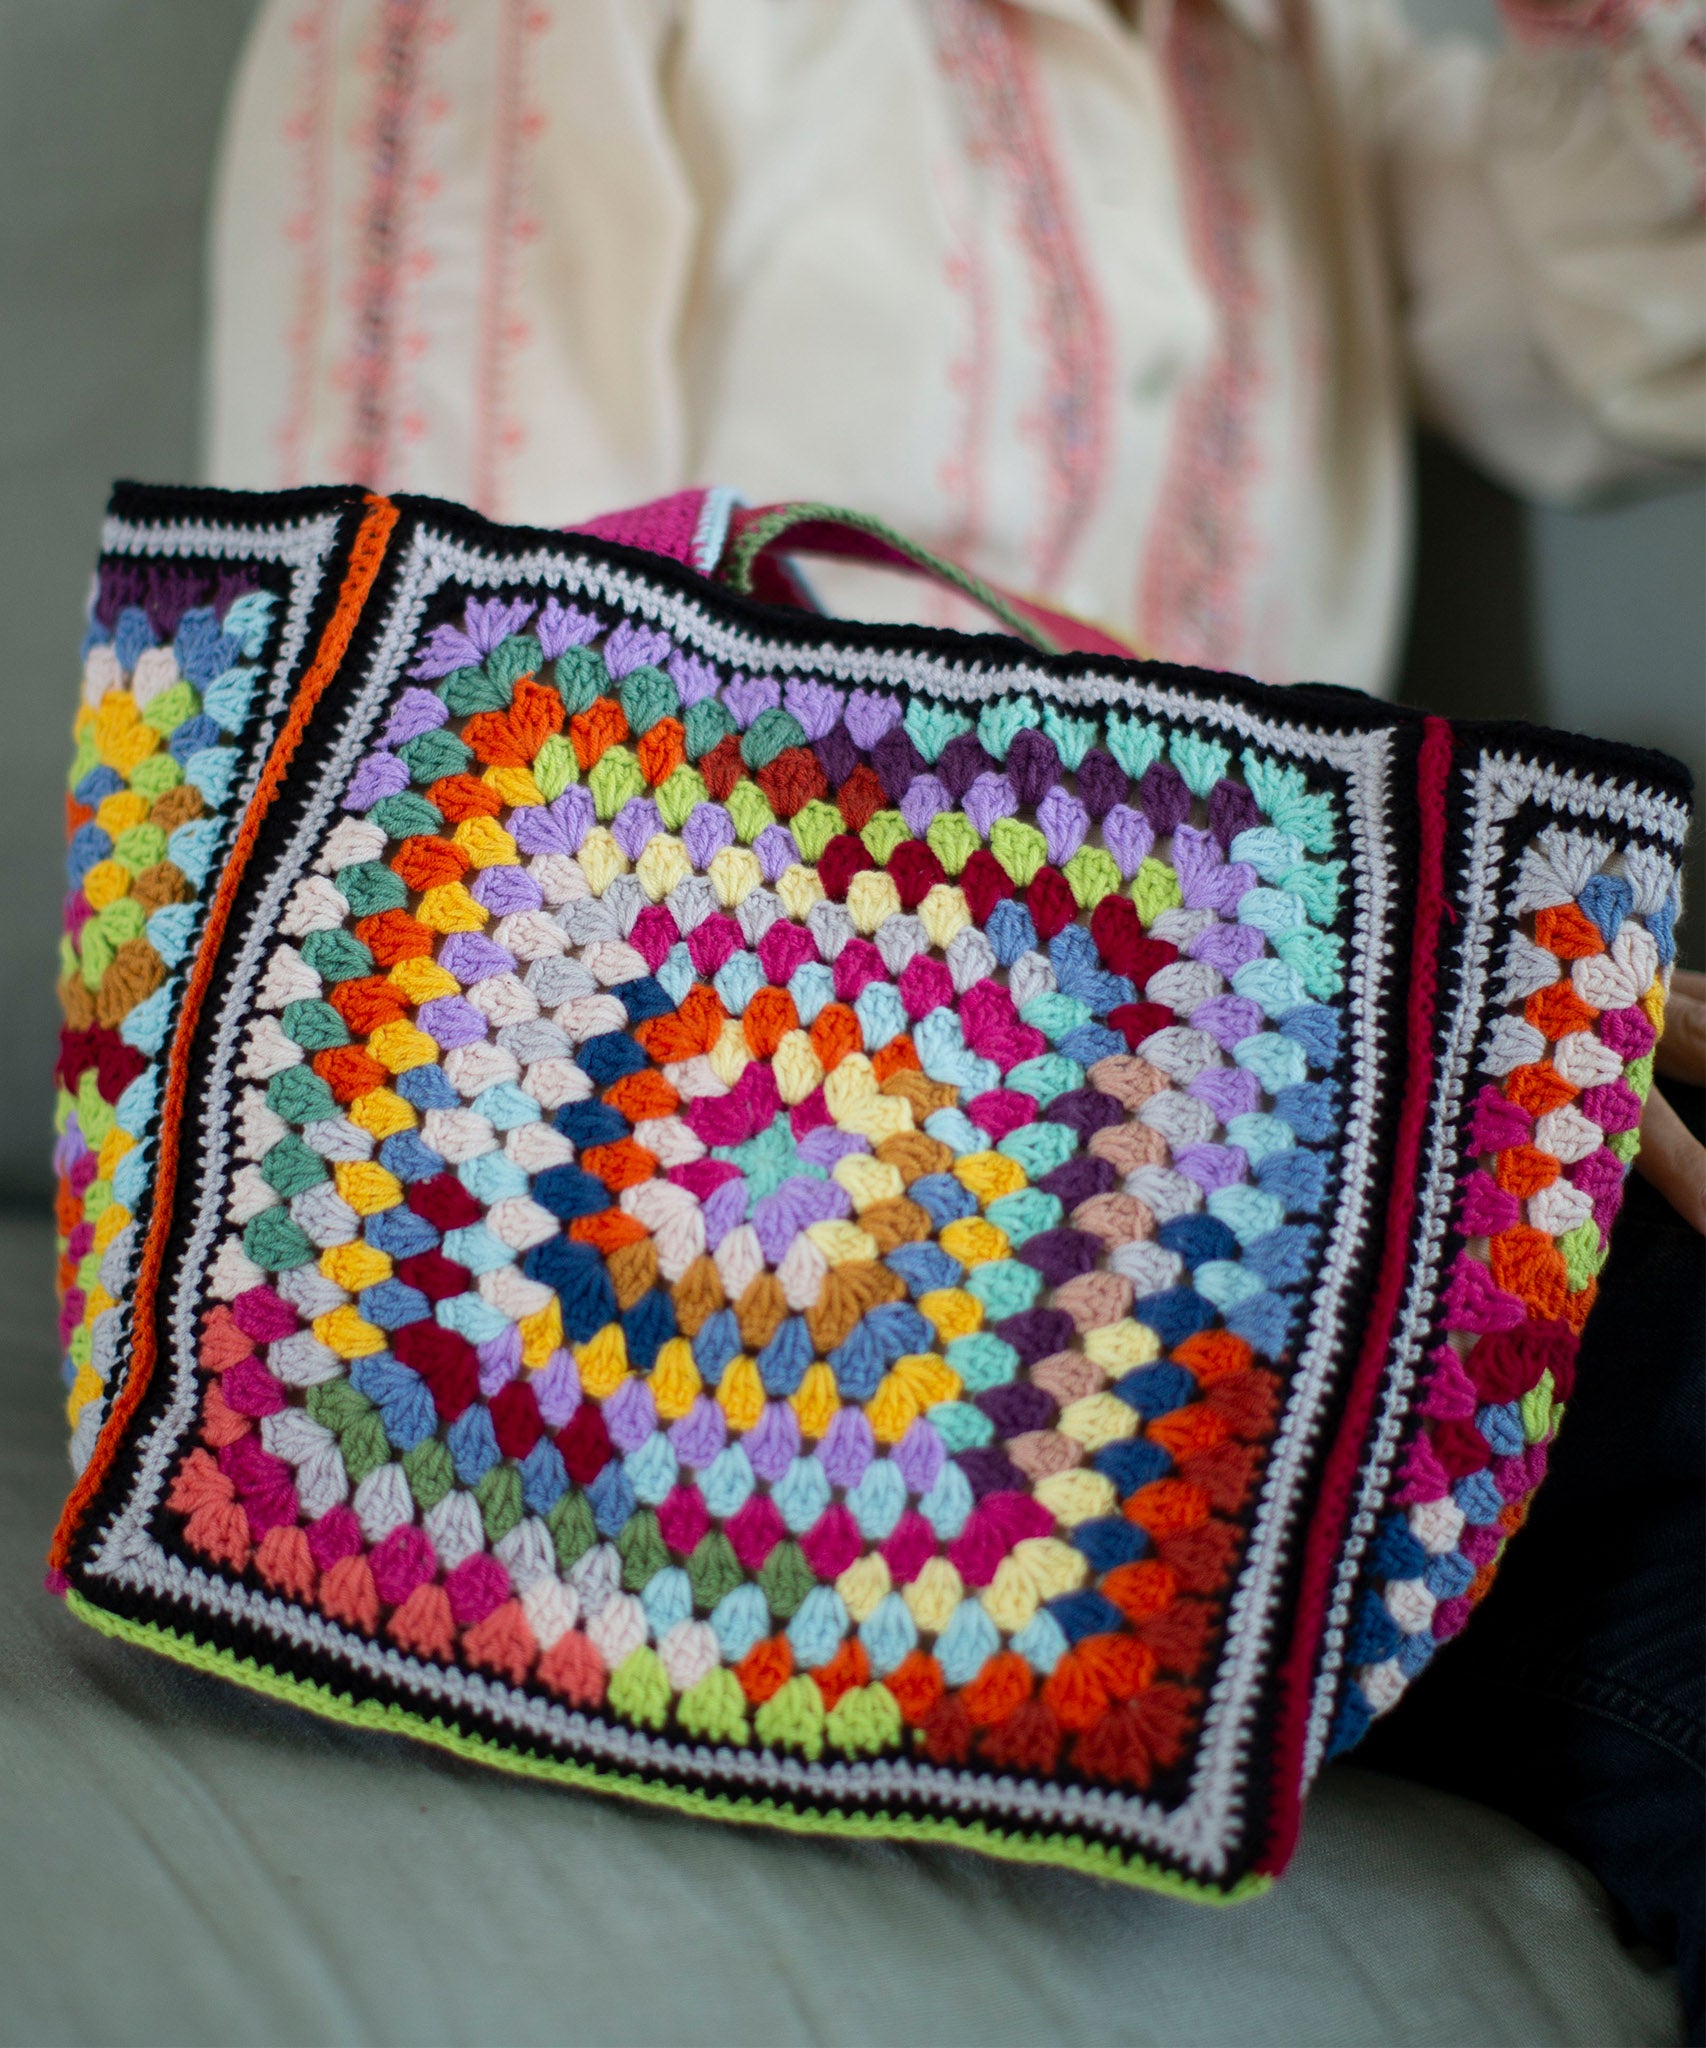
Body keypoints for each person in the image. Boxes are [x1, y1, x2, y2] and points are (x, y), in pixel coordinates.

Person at [205, 0, 1705, 2019]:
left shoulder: (1281, 51)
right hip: (759, 1198)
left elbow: (1629, 352)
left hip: (1250, 1172)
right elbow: (414, 788)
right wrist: (1441, 1011)